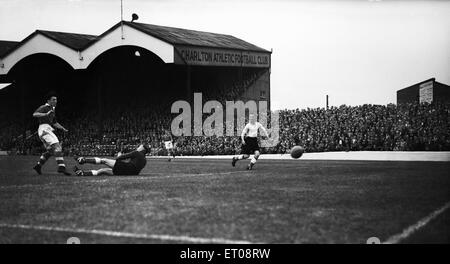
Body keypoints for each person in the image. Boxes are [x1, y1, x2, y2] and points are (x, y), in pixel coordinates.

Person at [32, 93, 71, 176]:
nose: (55, 101)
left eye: (56, 99)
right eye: (53, 99)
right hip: (45, 129)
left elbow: (54, 122)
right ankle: (61, 167)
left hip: (46, 130)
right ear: (48, 101)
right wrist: (45, 114)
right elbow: (34, 114)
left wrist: (62, 128)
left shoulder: (52, 110)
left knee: (50, 151)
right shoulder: (44, 107)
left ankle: (38, 166)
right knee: (58, 147)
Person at [74, 144, 150, 176]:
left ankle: (83, 160)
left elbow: (119, 158)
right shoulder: (145, 160)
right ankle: (82, 173)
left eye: (140, 146)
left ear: (142, 148)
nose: (138, 146)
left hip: (125, 168)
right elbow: (135, 168)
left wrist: (119, 154)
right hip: (130, 173)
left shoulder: (137, 153)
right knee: (102, 171)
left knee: (104, 160)